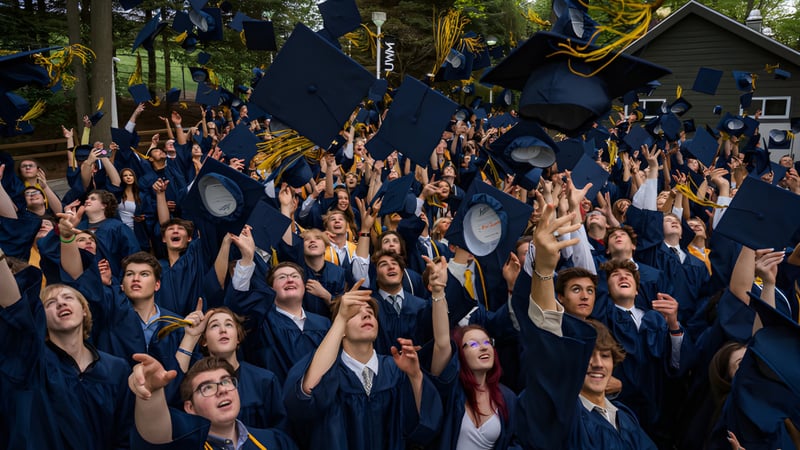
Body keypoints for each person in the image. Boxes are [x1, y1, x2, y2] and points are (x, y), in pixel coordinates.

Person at [512, 202, 656, 449]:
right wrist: (544, 270)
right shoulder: (564, 413)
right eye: (589, 356)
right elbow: (548, 345)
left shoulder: (624, 415)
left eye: (605, 356)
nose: (598, 364)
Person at [283, 282, 443, 450]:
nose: (367, 316)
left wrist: (415, 376)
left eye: (370, 313)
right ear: (340, 327)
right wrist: (341, 316)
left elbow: (425, 425)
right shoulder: (327, 370)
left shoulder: (395, 368)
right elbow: (304, 397)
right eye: (355, 314)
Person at [0, 252, 134, 449]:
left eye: (68, 297)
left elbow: (124, 435)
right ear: (40, 319)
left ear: (85, 309)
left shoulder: (116, 368)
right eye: (50, 303)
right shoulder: (33, 361)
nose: (61, 303)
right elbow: (14, 308)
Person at [424, 255, 518, 449]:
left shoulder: (507, 398)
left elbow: (513, 442)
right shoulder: (452, 391)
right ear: (460, 353)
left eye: (486, 342)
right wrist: (439, 291)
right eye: (473, 344)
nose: (483, 347)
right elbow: (442, 343)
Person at [225, 225, 331, 383]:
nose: (289, 279)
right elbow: (238, 304)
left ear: (303, 285)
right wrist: (247, 259)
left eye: (295, 276)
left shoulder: (323, 323)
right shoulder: (261, 321)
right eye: (282, 277)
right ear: (271, 289)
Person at [128, 355, 297, 449]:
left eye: (225, 381)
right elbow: (154, 436)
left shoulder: (275, 441)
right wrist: (152, 392)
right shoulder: (186, 446)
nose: (222, 390)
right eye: (207, 387)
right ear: (190, 407)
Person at [174, 304, 286, 430]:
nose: (223, 330)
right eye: (214, 325)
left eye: (229, 324)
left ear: (238, 337)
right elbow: (172, 392)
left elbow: (279, 432)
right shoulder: (196, 382)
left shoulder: (264, 380)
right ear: (204, 341)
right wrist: (190, 336)